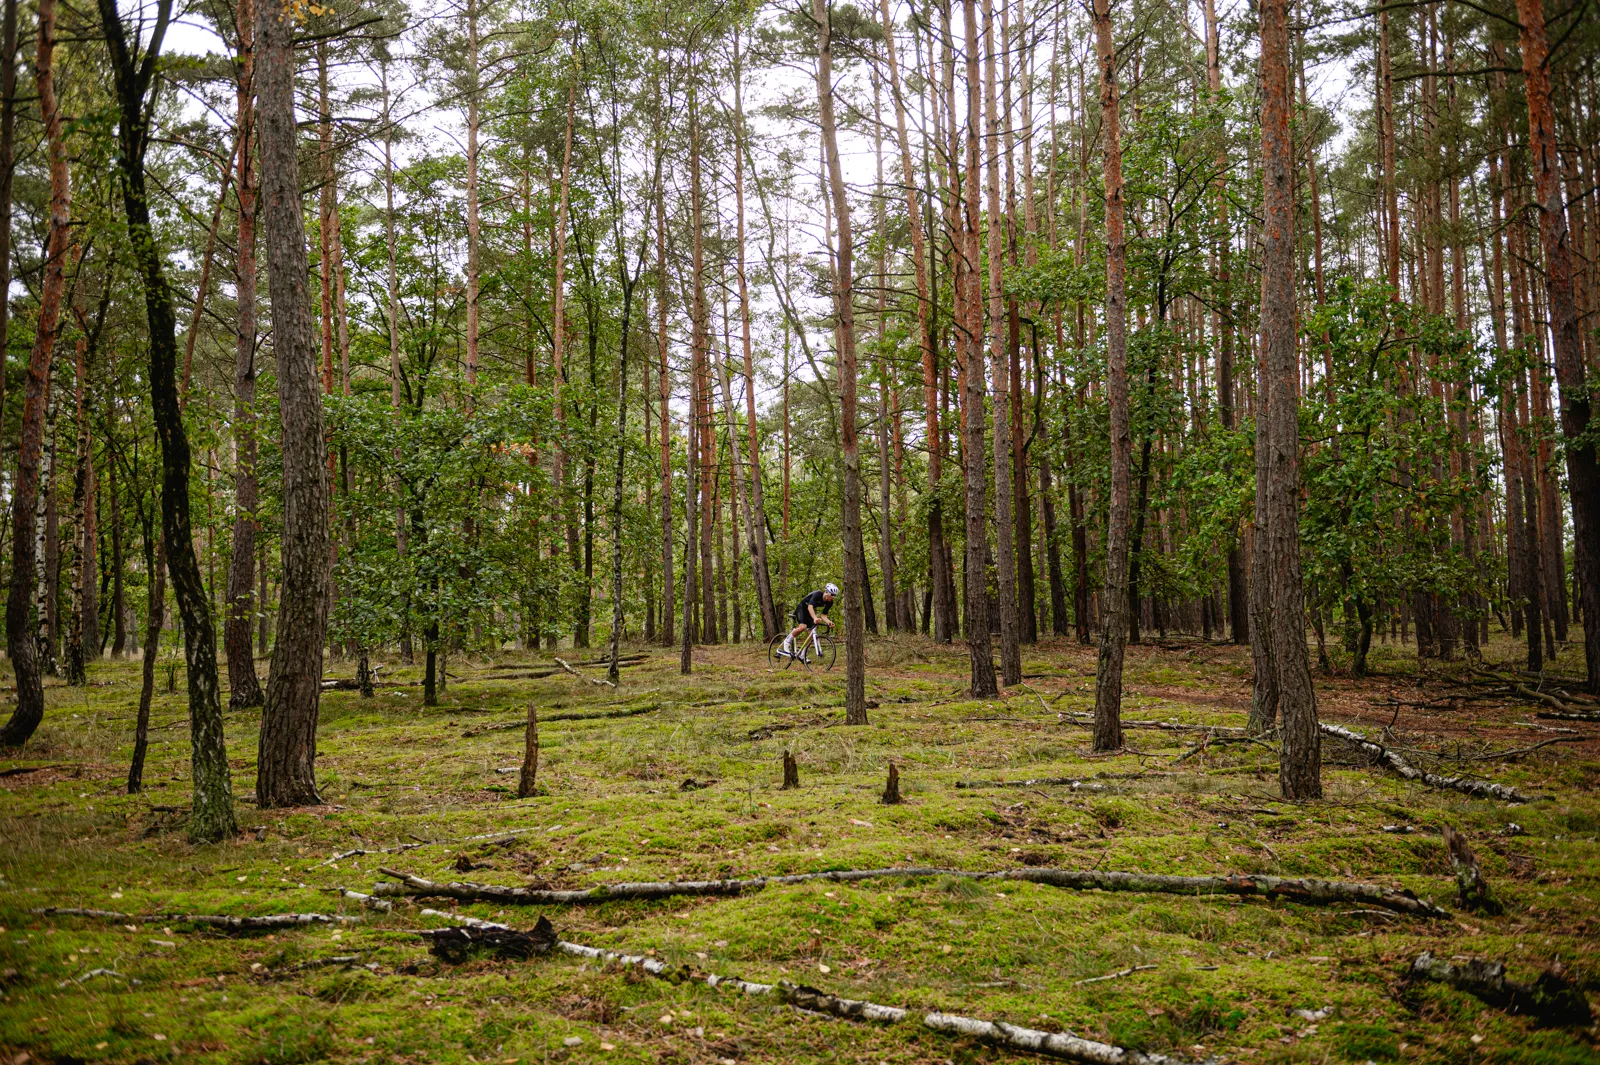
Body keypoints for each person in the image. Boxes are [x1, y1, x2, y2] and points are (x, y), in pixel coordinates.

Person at [781, 583, 837, 657]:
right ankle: (787, 642)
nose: (833, 597)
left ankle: (802, 655)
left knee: (811, 635)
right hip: (802, 608)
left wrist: (829, 622)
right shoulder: (817, 594)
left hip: (809, 612)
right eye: (832, 595)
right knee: (803, 627)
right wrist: (815, 618)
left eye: (835, 595)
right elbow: (810, 607)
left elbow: (823, 615)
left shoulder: (830, 602)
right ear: (826, 592)